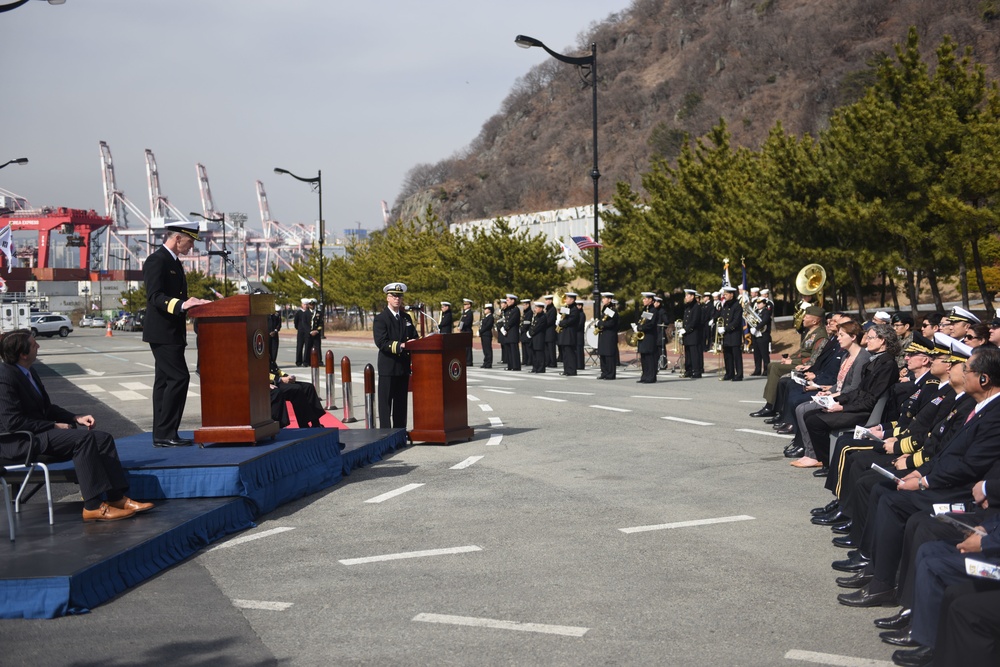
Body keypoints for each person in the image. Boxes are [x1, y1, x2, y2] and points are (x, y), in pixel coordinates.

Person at [0, 330, 153, 522]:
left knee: (102, 438)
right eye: (33, 345)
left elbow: (47, 408)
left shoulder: (29, 372)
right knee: (84, 440)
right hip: (21, 442)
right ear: (23, 354)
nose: (38, 346)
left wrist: (75, 418)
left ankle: (116, 499)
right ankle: (93, 506)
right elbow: (12, 422)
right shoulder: (5, 377)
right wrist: (53, 426)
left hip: (38, 435)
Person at [143, 220, 211, 448]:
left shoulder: (173, 262)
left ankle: (163, 434)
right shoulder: (157, 260)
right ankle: (166, 432)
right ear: (178, 238)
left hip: (172, 331)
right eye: (190, 241)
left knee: (163, 382)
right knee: (179, 378)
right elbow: (155, 296)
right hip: (162, 332)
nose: (192, 246)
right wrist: (182, 305)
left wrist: (194, 303)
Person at [373, 282, 418, 429]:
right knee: (386, 404)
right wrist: (401, 345)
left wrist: (415, 342)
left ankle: (399, 432)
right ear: (387, 298)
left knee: (401, 403)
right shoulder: (381, 318)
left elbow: (414, 336)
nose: (397, 299)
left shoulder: (406, 318)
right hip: (388, 366)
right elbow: (381, 342)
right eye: (393, 296)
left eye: (399, 296)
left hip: (403, 366)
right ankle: (386, 434)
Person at [269, 362, 327, 429]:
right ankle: (304, 425)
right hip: (269, 383)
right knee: (296, 389)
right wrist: (280, 379)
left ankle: (316, 423)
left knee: (308, 387)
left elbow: (275, 369)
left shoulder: (267, 353)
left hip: (277, 380)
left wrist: (286, 376)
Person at [720, 286, 744, 381]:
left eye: (726, 294)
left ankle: (739, 374)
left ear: (731, 294)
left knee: (736, 356)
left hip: (734, 334)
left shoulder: (737, 305)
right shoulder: (725, 305)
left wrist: (726, 328)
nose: (724, 296)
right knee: (727, 355)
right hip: (726, 335)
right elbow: (722, 317)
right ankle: (729, 373)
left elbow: (736, 321)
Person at [595, 292, 619, 380]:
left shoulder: (612, 310)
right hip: (603, 334)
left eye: (604, 298)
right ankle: (604, 372)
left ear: (609, 300)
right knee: (603, 354)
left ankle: (610, 373)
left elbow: (611, 323)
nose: (603, 300)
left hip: (609, 335)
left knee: (609, 355)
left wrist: (600, 323)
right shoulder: (605, 309)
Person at [636, 291, 658, 383]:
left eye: (645, 298)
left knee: (650, 357)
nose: (643, 300)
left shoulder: (653, 310)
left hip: (649, 337)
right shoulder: (646, 310)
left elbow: (650, 324)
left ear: (650, 300)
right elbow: (642, 321)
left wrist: (641, 327)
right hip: (643, 337)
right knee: (644, 357)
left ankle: (651, 376)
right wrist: (638, 326)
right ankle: (645, 375)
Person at [751, 294, 772, 376]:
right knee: (756, 353)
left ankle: (767, 370)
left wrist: (756, 328)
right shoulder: (755, 312)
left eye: (760, 303)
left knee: (764, 354)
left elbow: (764, 321)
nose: (758, 304)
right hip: (756, 335)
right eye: (757, 303)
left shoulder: (766, 312)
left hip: (763, 335)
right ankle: (757, 369)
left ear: (764, 304)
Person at [529, 301, 548, 374]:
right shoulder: (536, 316)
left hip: (539, 337)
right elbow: (533, 325)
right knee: (534, 353)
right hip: (534, 337)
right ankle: (535, 367)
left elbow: (538, 327)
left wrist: (532, 332)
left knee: (539, 354)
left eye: (536, 308)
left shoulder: (543, 317)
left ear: (541, 308)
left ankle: (541, 368)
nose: (535, 309)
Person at [293, 298, 314, 367]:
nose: (306, 306)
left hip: (307, 332)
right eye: (304, 304)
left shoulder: (309, 313)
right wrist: (299, 328)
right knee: (299, 346)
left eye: (307, 304)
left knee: (307, 347)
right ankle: (298, 361)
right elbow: (295, 322)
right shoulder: (298, 313)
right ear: (302, 305)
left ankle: (306, 361)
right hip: (300, 331)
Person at [458, 298, 474, 366]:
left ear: (469, 305)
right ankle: (465, 360)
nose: (464, 306)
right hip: (463, 331)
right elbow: (461, 321)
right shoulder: (464, 313)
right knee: (464, 347)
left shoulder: (469, 313)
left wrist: (461, 326)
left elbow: (467, 322)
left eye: (465, 304)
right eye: (464, 304)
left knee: (468, 347)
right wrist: (459, 327)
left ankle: (469, 361)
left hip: (467, 331)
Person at [543, 295, 558, 368]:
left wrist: (543, 324)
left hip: (550, 331)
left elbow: (550, 321)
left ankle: (553, 362)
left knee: (551, 348)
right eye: (546, 300)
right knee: (546, 348)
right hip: (546, 331)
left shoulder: (553, 309)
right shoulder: (547, 309)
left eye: (548, 300)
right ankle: (547, 361)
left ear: (551, 301)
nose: (546, 301)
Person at [479, 303, 495, 368]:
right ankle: (485, 362)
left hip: (487, 334)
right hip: (483, 335)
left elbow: (487, 326)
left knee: (488, 349)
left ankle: (488, 363)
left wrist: (480, 331)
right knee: (485, 349)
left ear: (489, 310)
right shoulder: (485, 317)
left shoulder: (490, 317)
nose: (485, 310)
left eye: (486, 309)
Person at [519, 298, 533, 368]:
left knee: (528, 347)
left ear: (528, 305)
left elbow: (527, 322)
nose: (523, 306)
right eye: (523, 305)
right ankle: (524, 360)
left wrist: (522, 328)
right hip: (523, 332)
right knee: (524, 347)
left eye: (524, 305)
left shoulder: (530, 312)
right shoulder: (525, 312)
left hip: (526, 331)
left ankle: (530, 360)